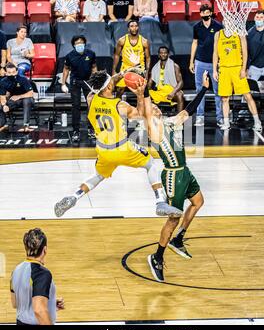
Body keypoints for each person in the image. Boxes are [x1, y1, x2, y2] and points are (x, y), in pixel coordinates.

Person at [54, 69, 182, 219]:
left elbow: (105, 84)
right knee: (150, 163)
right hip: (122, 148)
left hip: (102, 150)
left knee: (98, 175)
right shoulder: (120, 105)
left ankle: (74, 196)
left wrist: (123, 73)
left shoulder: (91, 99)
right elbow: (140, 114)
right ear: (108, 87)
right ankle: (160, 202)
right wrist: (140, 95)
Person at [145, 72, 208, 282]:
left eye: (156, 106)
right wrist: (143, 89)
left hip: (185, 171)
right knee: (173, 218)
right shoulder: (153, 131)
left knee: (198, 202)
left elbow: (189, 109)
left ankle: (178, 238)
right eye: (152, 107)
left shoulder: (172, 120)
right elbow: (145, 107)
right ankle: (157, 257)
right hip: (172, 174)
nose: (156, 107)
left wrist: (204, 89)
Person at [213, 21, 262, 131]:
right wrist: (214, 70)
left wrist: (243, 69)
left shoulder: (240, 33)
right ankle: (226, 123)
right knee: (224, 98)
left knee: (247, 95)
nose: (227, 21)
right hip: (224, 69)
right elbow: (215, 53)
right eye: (225, 19)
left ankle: (257, 121)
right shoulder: (218, 34)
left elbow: (245, 52)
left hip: (237, 68)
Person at [10, 228, 64, 325]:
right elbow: (39, 310)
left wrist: (50, 303)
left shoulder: (15, 270)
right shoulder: (42, 273)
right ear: (45, 249)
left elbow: (16, 303)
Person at [189, 4, 223, 127]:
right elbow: (194, 43)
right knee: (199, 90)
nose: (205, 14)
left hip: (214, 63)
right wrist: (191, 61)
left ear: (211, 13)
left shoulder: (218, 26)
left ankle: (220, 117)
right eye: (203, 13)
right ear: (200, 14)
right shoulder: (197, 27)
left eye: (207, 12)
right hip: (200, 61)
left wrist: (220, 61)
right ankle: (200, 116)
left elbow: (221, 45)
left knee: (218, 91)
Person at [61, 35, 97, 142]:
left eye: (81, 42)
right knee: (75, 106)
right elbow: (66, 69)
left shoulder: (91, 54)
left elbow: (94, 67)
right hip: (75, 82)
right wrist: (63, 83)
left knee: (91, 105)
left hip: (88, 82)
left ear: (85, 43)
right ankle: (76, 131)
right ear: (73, 45)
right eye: (77, 43)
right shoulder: (69, 56)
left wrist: (96, 81)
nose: (79, 44)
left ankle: (91, 129)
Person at [113, 20, 151, 90]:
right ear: (128, 29)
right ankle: (118, 101)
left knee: (141, 89)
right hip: (125, 68)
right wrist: (114, 69)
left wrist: (147, 72)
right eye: (132, 26)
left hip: (139, 69)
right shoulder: (122, 40)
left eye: (136, 26)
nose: (134, 28)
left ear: (138, 28)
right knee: (120, 89)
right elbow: (117, 55)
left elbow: (148, 58)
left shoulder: (144, 41)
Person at [0, 63, 34, 133]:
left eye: (13, 72)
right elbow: (2, 96)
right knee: (1, 105)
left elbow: (31, 93)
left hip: (27, 98)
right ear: (6, 73)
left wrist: (19, 96)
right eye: (9, 73)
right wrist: (4, 105)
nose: (12, 74)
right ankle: (4, 124)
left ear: (17, 72)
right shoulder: (3, 81)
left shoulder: (23, 79)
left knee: (27, 101)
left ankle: (26, 125)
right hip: (14, 100)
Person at [149, 46, 185, 112]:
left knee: (179, 94)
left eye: (165, 53)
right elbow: (150, 83)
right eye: (161, 53)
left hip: (171, 91)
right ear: (158, 55)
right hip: (160, 92)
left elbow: (181, 82)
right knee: (144, 95)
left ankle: (180, 120)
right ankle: (148, 119)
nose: (163, 54)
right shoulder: (155, 68)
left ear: (168, 54)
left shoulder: (175, 66)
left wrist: (173, 93)